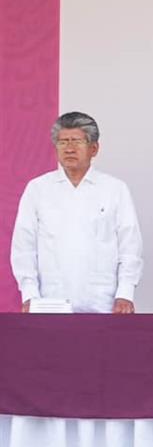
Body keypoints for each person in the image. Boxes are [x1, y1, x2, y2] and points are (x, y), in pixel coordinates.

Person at [11, 111, 141, 313]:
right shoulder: (38, 189)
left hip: (103, 305)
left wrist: (125, 294)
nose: (69, 148)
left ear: (94, 148)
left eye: (77, 141)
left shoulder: (115, 189)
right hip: (50, 305)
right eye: (63, 142)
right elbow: (23, 248)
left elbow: (130, 247)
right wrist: (30, 295)